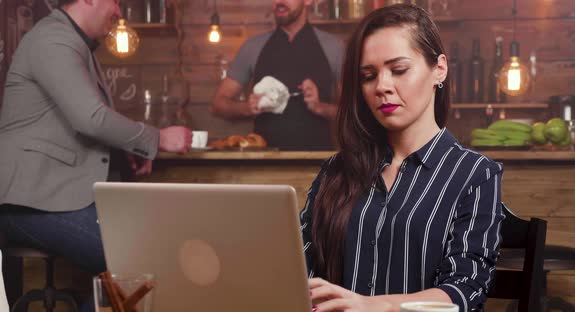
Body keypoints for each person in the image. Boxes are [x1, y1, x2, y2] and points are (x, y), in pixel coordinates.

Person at [300, 4, 504, 312]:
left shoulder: (475, 175)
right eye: (368, 76)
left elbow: (464, 291)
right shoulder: (335, 170)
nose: (382, 86)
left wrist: (370, 306)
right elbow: (297, 266)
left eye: (399, 70)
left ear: (439, 69)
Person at [0, 0, 192, 301]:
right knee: (141, 262)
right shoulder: (54, 39)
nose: (119, 12)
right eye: (114, 1)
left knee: (144, 260)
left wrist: (123, 151)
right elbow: (91, 118)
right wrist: (157, 139)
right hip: (29, 204)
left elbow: (72, 124)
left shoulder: (73, 42)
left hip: (52, 200)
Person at [210, 0, 344, 151]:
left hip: (317, 164)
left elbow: (353, 114)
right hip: (263, 164)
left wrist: (320, 107)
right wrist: (247, 108)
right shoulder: (253, 47)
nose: (279, 2)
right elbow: (218, 105)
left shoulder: (334, 48)